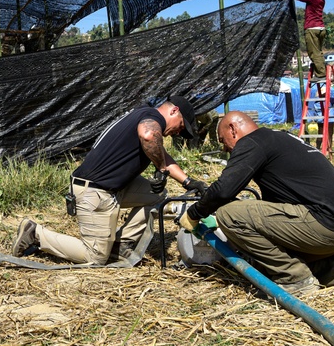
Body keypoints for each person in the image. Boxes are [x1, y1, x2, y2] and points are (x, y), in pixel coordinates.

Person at [179, 111, 334, 295]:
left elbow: (224, 189)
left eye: (223, 141)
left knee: (229, 215)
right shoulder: (279, 138)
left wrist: (195, 213)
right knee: (269, 260)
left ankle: (296, 279)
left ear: (233, 129)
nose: (224, 148)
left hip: (323, 224)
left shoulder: (253, 142)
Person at [12, 96, 203, 265]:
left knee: (158, 195)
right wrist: (160, 168)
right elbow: (148, 136)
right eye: (181, 126)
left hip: (113, 188)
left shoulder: (144, 115)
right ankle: (35, 234)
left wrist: (189, 182)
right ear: (174, 110)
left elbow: (162, 154)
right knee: (95, 257)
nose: (179, 132)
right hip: (94, 192)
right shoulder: (153, 120)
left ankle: (120, 245)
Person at [287, 0, 327, 78]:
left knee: (313, 52)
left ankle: (321, 74)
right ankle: (320, 69)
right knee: (318, 51)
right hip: (321, 28)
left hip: (312, 28)